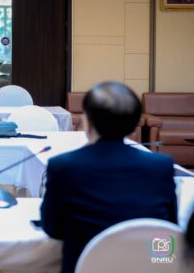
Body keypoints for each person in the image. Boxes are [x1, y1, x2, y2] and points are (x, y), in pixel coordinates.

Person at [41, 81, 177, 273]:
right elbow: (168, 227)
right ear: (133, 126)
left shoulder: (64, 166)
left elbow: (52, 228)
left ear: (88, 123)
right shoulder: (161, 166)